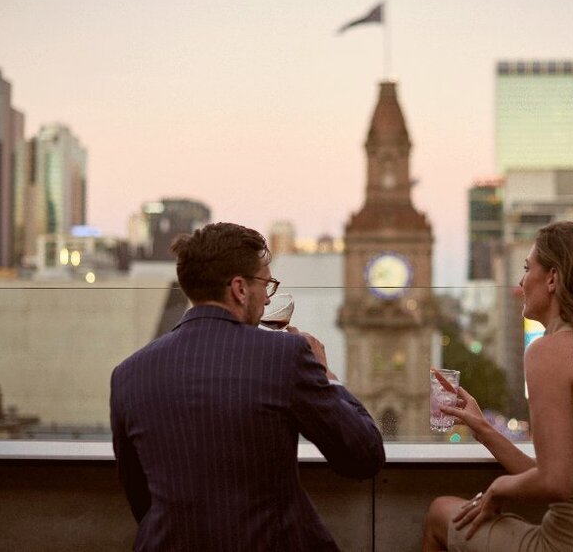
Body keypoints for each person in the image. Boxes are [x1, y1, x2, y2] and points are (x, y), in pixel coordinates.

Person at [110, 222, 385, 551]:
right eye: (266, 285)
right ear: (240, 289)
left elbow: (141, 498)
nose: (267, 302)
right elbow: (363, 456)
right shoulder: (284, 356)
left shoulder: (128, 374)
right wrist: (326, 375)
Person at [423, 221, 573, 552]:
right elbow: (557, 473)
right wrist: (485, 430)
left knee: (440, 513)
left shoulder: (548, 351)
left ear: (553, 278)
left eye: (527, 268)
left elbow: (555, 482)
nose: (521, 282)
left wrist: (497, 489)